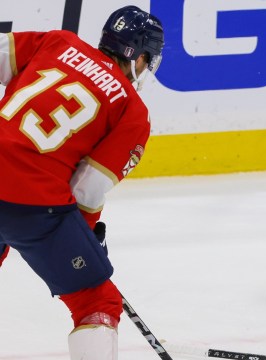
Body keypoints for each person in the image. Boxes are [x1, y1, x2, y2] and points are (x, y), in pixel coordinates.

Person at [0, 5, 163, 359]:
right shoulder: (131, 110)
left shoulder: (59, 42)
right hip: (32, 201)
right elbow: (87, 189)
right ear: (138, 57)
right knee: (96, 301)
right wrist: (83, 236)